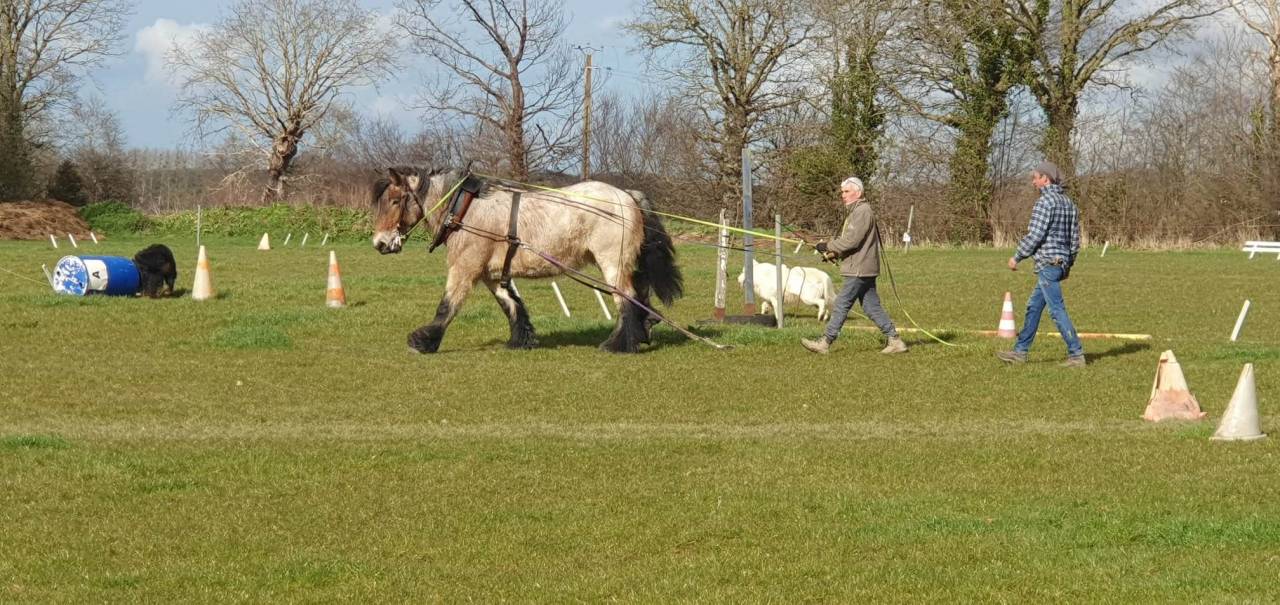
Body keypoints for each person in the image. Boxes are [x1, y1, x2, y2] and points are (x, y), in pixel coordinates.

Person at [801, 177, 907, 354]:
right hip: (863, 267)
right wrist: (834, 254)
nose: (843, 195)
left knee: (842, 303)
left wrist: (827, 246)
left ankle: (825, 342)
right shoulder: (858, 211)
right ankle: (895, 340)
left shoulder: (862, 211)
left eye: (846, 191)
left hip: (859, 268)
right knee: (871, 306)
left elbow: (851, 240)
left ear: (858, 192)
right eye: (842, 192)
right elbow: (856, 243)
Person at [996, 161, 1085, 368]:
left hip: (1047, 263)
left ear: (1046, 178)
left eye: (1035, 178)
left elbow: (1035, 235)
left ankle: (1076, 353)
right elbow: (1074, 241)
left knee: (1056, 310)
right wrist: (1068, 265)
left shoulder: (1045, 203)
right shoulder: (1069, 204)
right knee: (1034, 307)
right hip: (1059, 263)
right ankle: (1020, 352)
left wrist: (1017, 256)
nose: (1033, 182)